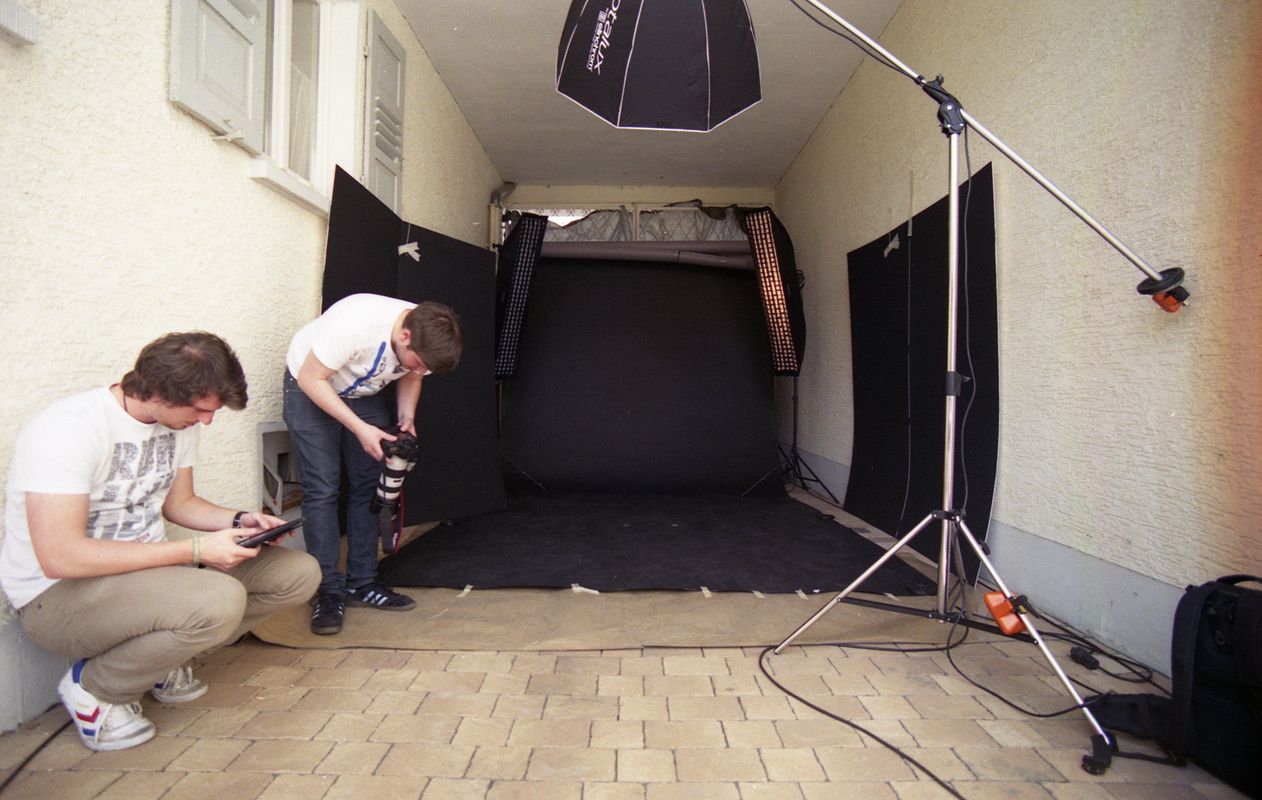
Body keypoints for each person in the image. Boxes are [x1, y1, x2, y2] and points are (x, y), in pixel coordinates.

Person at [0, 332, 321, 752]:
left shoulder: (177, 423)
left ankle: (162, 662)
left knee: (297, 574)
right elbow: (61, 557)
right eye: (200, 409)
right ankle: (95, 689)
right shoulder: (67, 430)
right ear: (156, 390)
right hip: (58, 596)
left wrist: (241, 520)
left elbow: (180, 504)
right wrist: (195, 550)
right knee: (218, 598)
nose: (207, 421)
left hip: (149, 576)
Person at [283, 294, 462, 635]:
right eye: (418, 362)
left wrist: (407, 418)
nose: (420, 370)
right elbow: (310, 378)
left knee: (369, 486)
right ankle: (328, 592)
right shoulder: (356, 325)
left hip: (362, 393)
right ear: (404, 336)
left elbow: (413, 376)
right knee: (323, 488)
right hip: (311, 386)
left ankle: (362, 583)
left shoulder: (424, 335)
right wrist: (359, 429)